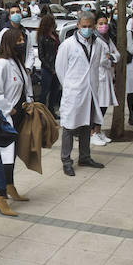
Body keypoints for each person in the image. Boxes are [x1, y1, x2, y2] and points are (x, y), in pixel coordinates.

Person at [54, 12, 106, 176]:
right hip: (74, 92)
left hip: (90, 92)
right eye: (84, 26)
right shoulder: (68, 45)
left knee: (86, 125)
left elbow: (96, 67)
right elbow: (60, 69)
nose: (87, 29)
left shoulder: (97, 44)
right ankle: (66, 160)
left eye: (90, 26)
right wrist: (70, 86)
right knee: (69, 127)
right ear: (78, 26)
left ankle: (85, 156)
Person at [0, 28, 33, 212]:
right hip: (7, 117)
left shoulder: (17, 62)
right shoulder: (2, 64)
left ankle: (10, 186)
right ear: (9, 42)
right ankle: (0, 197)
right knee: (5, 158)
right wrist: (10, 109)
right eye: (19, 40)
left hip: (21, 116)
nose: (22, 43)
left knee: (13, 155)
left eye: (23, 40)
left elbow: (26, 86)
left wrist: (30, 103)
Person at [90, 14, 117, 146]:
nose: (103, 26)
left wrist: (110, 57)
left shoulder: (107, 39)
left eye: (105, 23)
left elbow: (116, 54)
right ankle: (92, 133)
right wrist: (109, 59)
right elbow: (99, 60)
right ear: (95, 25)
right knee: (98, 106)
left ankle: (98, 131)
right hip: (99, 77)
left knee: (104, 105)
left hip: (107, 76)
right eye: (100, 23)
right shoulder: (95, 40)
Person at [35, 13, 62, 113]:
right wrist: (50, 69)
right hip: (47, 68)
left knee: (55, 90)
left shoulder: (55, 35)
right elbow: (42, 56)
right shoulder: (43, 37)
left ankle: (51, 110)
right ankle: (42, 112)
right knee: (45, 91)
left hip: (56, 66)